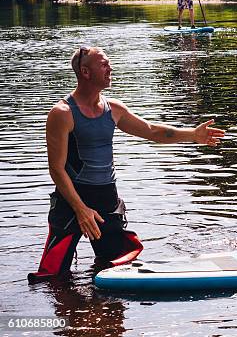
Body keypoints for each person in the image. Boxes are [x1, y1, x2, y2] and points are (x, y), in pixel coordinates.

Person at [28, 47, 225, 282]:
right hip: (71, 204)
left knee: (117, 273)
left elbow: (152, 131)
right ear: (85, 71)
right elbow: (56, 170)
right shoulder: (62, 113)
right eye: (103, 64)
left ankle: (103, 314)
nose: (110, 68)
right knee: (52, 279)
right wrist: (81, 210)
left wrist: (193, 134)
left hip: (106, 200)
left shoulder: (114, 109)